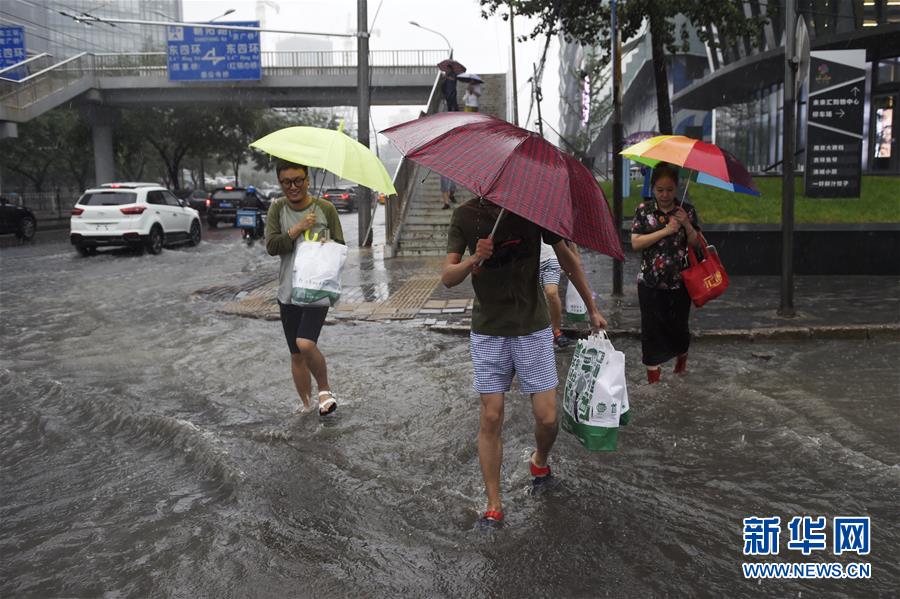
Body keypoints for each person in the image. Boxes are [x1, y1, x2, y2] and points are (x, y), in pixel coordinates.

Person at [443, 197, 607, 527]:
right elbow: (448, 276)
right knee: (491, 414)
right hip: (490, 330)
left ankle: (540, 460)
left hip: (532, 327)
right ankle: (494, 501)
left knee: (547, 418)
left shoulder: (535, 211)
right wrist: (475, 257)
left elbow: (567, 260)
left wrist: (592, 307)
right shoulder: (465, 216)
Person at [265, 160, 345, 415]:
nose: (293, 186)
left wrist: (326, 243)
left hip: (316, 290)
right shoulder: (277, 209)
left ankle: (324, 391)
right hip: (288, 292)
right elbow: (271, 247)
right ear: (280, 183)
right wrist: (297, 229)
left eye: (298, 180)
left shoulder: (326, 209)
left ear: (308, 180)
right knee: (296, 354)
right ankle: (306, 406)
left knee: (306, 344)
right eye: (287, 182)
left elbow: (341, 246)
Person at [630, 163, 702, 384]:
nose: (665, 194)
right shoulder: (644, 211)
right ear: (652, 189)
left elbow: (696, 243)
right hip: (650, 283)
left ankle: (681, 363)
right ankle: (654, 383)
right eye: (660, 189)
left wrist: (686, 225)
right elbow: (635, 243)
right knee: (651, 333)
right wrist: (666, 230)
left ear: (677, 188)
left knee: (679, 329)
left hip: (680, 283)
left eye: (669, 189)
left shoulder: (686, 210)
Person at [539, 240, 570, 348]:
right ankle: (541, 331)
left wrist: (574, 256)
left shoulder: (549, 222)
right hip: (529, 261)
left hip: (551, 257)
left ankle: (556, 330)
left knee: (551, 293)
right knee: (537, 299)